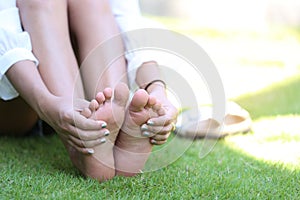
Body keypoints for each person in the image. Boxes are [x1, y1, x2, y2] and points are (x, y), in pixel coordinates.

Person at [0, 0, 178, 182]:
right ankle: (80, 143)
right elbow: (5, 34)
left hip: (68, 91)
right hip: (22, 96)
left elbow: (127, 20)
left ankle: (111, 135)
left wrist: (156, 87)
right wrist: (46, 103)